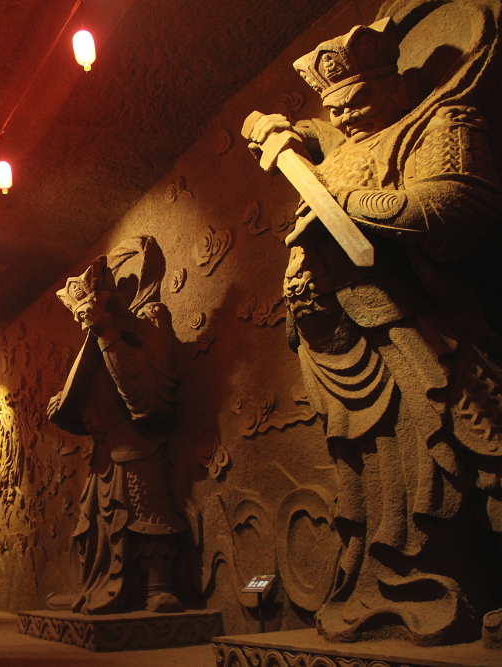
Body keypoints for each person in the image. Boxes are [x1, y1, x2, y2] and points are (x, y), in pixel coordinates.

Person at [244, 12, 502, 644]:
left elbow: (458, 205)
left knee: (479, 441)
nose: (347, 116)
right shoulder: (333, 150)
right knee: (372, 473)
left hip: (416, 326)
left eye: (359, 101)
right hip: (344, 348)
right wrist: (284, 135)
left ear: (397, 85)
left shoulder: (436, 123)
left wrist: (353, 203)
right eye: (336, 108)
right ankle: (389, 584)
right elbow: (315, 140)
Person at [47, 236, 188, 614]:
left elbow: (146, 402)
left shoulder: (150, 319)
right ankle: (92, 585)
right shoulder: (96, 336)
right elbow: (95, 399)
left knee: (148, 514)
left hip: (139, 445)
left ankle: (158, 586)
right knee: (92, 526)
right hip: (103, 453)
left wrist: (107, 332)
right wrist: (64, 405)